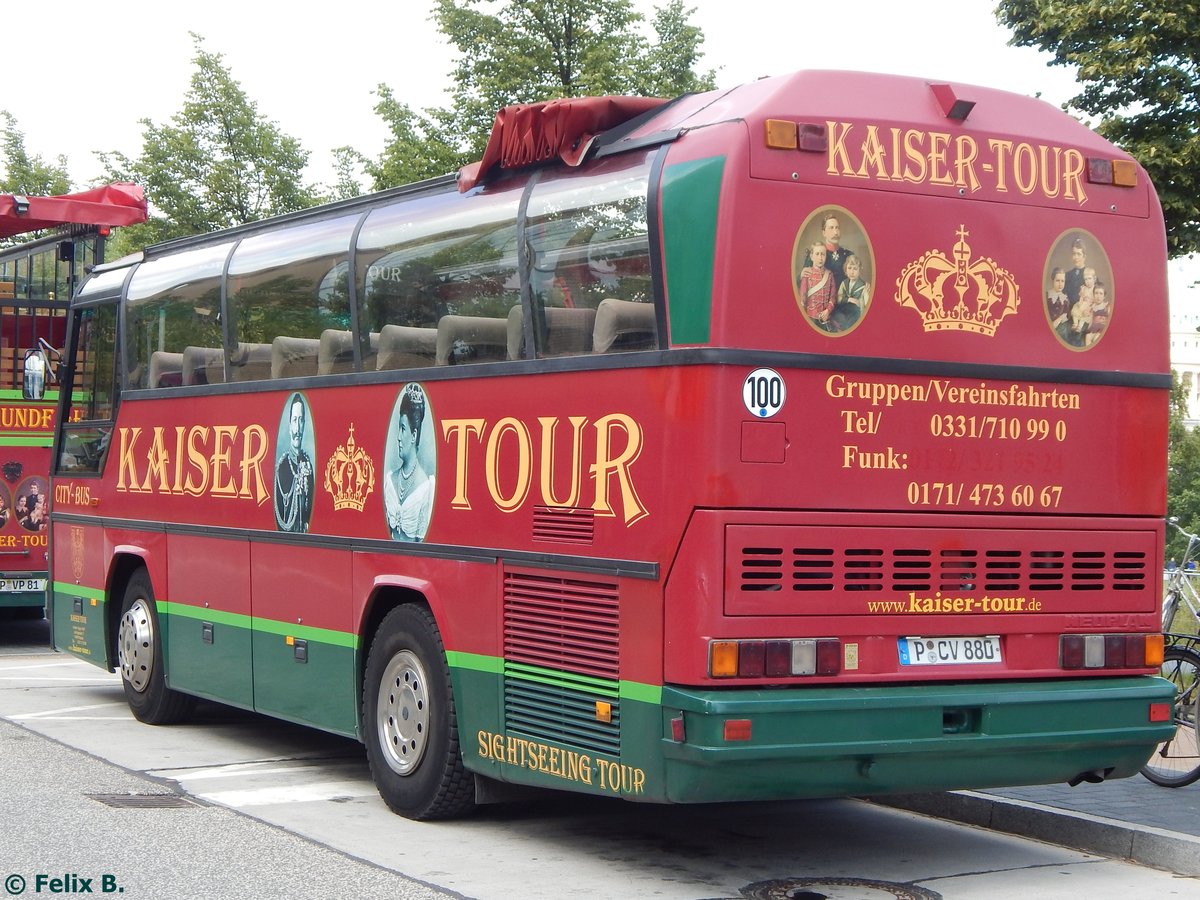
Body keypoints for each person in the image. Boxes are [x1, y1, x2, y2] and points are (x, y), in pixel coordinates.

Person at [384, 384, 435, 542]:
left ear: (414, 435)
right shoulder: (389, 479)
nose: (398, 437)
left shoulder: (427, 487)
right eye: (398, 428)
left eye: (403, 429)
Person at [274, 393, 313, 533]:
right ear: (290, 424)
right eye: (295, 420)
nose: (297, 428)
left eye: (301, 420)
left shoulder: (308, 465)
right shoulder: (282, 467)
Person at [798, 242, 838, 330]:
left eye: (823, 254)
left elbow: (833, 297)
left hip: (826, 318)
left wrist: (828, 311)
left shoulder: (829, 274)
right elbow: (802, 299)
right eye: (817, 254)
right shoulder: (807, 274)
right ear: (812, 257)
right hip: (810, 319)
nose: (820, 258)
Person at [829, 253, 870, 332]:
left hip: (856, 314)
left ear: (859, 270)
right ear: (845, 270)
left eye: (855, 269)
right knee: (835, 315)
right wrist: (849, 299)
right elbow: (838, 298)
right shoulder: (844, 283)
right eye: (849, 268)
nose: (852, 272)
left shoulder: (864, 286)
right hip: (844, 310)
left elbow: (866, 305)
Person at [1063, 237, 1088, 304]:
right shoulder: (1067, 275)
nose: (1076, 257)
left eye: (1079, 254)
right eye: (1074, 254)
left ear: (1084, 257)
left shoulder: (1089, 276)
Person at [1086, 281, 1110, 347]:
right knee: (1088, 336)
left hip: (1103, 328)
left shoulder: (1106, 306)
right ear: (1093, 295)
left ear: (1104, 296)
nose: (1098, 296)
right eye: (1096, 293)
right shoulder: (1093, 307)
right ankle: (1088, 354)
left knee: (1096, 338)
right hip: (1094, 327)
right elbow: (1091, 318)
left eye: (1101, 294)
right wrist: (1089, 328)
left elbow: (1110, 318)